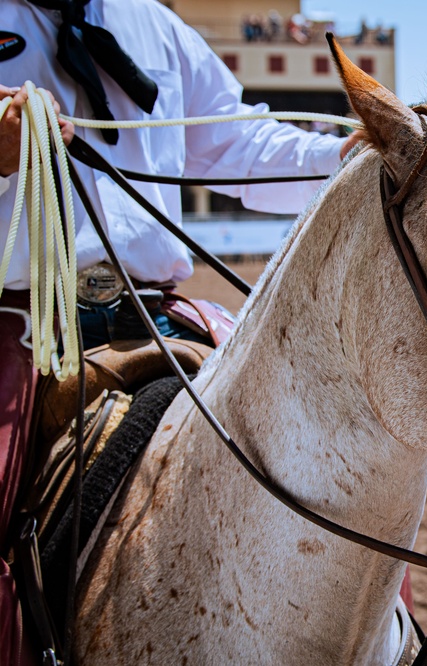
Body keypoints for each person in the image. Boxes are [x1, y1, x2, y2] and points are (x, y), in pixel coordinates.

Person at [0, 1, 362, 662]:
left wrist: (348, 155)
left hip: (154, 311)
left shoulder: (154, 23)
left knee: (331, 448)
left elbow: (236, 144)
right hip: (20, 321)